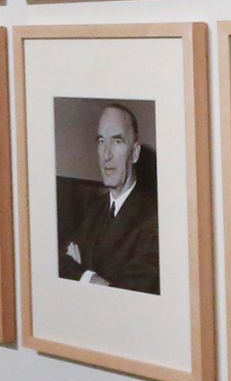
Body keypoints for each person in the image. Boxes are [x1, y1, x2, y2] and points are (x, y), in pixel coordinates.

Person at [60, 103, 158, 293]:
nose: (106, 155)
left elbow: (128, 294)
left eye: (117, 141)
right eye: (101, 141)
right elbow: (61, 263)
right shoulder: (93, 209)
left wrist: (82, 274)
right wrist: (97, 279)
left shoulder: (154, 218)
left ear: (135, 153)